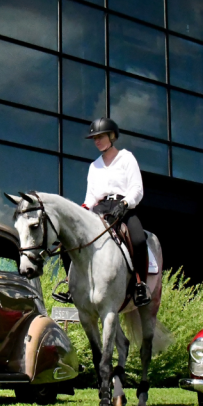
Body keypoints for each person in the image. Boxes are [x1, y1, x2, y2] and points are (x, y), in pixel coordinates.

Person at [52, 117, 151, 307]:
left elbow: (137, 189)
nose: (97, 141)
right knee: (67, 243)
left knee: (138, 240)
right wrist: (82, 210)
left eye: (100, 137)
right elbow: (91, 197)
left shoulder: (127, 157)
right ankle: (71, 285)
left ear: (112, 136)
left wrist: (125, 203)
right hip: (99, 208)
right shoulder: (94, 166)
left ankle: (140, 285)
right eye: (94, 138)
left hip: (124, 206)